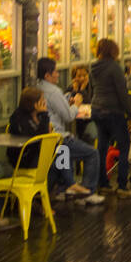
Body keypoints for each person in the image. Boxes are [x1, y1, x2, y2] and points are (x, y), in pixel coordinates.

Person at [36, 58, 106, 206]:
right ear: (48, 75)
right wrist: (77, 104)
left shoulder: (37, 87)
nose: (57, 74)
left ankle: (62, 189)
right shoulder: (53, 91)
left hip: (46, 139)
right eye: (55, 71)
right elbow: (68, 116)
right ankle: (87, 191)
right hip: (58, 137)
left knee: (63, 155)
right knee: (91, 153)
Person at [89, 38, 131, 198]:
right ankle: (122, 185)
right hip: (113, 111)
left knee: (102, 146)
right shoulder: (115, 67)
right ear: (113, 50)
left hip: (96, 109)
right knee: (124, 146)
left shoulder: (94, 67)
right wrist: (129, 113)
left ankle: (103, 183)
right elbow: (122, 93)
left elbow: (92, 88)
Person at [67, 64, 97, 144]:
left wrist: (83, 90)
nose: (82, 78)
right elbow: (69, 103)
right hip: (74, 121)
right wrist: (75, 91)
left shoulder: (93, 87)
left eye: (85, 75)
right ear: (74, 78)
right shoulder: (70, 88)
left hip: (89, 120)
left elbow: (90, 103)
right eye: (79, 76)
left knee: (90, 134)